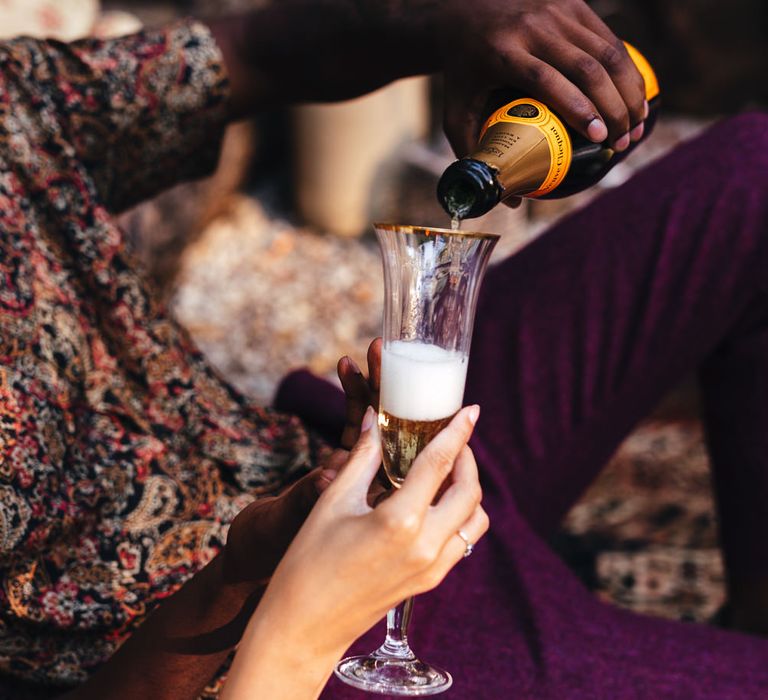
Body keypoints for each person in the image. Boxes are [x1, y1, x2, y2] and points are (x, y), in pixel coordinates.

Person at [0, 1, 765, 698]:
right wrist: (290, 622)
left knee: (753, 171)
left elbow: (239, 56)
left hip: (325, 463)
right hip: (281, 648)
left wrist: (453, 19)